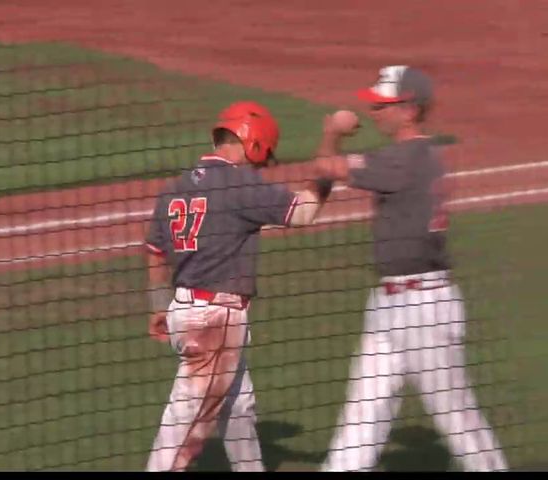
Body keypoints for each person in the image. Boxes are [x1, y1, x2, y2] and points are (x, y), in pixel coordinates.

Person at [313, 65, 509, 472]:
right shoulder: (418, 155)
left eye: (385, 105)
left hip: (425, 307)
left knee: (456, 415)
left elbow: (327, 167)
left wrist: (332, 131)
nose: (375, 112)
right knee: (364, 411)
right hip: (389, 305)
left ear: (410, 110)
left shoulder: (404, 159)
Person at [142, 101, 334, 472]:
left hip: (184, 311)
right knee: (183, 430)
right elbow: (305, 211)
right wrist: (329, 158)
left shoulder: (175, 189)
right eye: (264, 156)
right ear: (254, 143)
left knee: (239, 407)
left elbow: (155, 252)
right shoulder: (241, 184)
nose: (262, 165)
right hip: (215, 323)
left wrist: (158, 306)